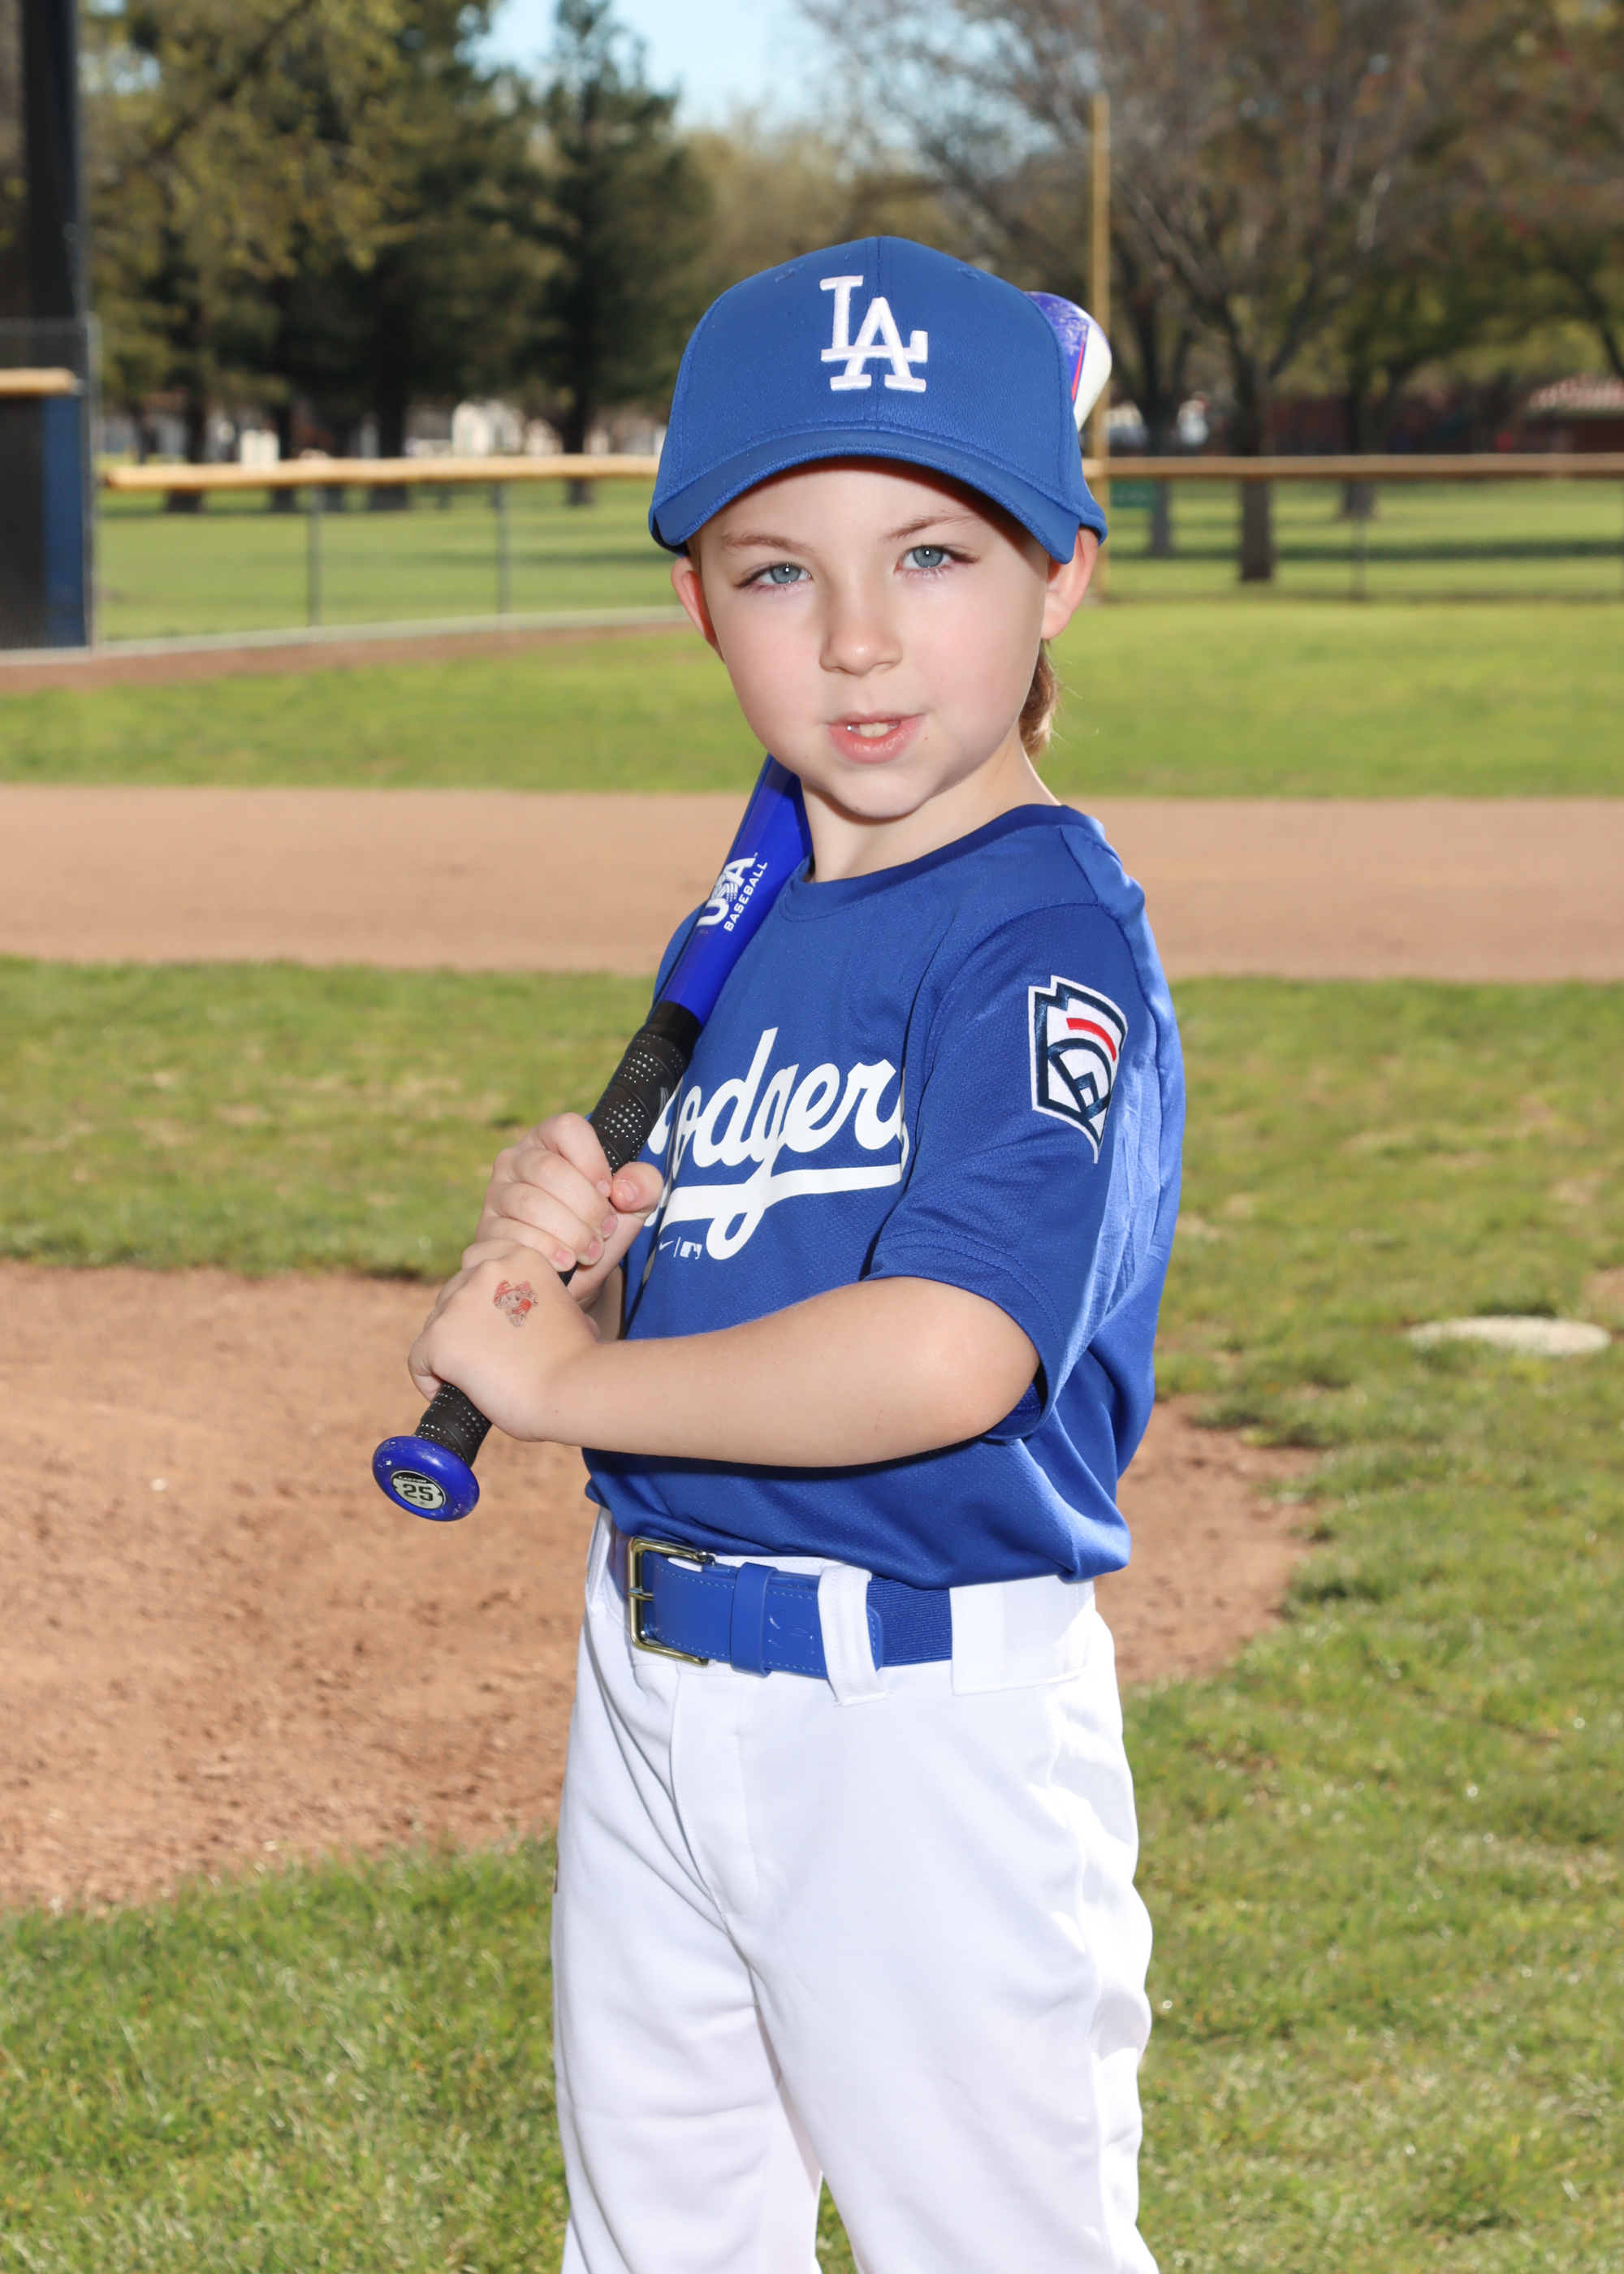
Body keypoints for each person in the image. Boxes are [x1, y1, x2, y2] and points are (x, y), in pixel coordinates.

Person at [408, 236, 1184, 2274]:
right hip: (654, 1677)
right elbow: (762, 1268)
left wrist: (567, 1383)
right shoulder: (762, 922)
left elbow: (944, 1349)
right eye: (778, 571)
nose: (854, 639)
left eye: (932, 555)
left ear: (1062, 574)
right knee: (656, 2244)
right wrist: (590, 1265)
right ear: (698, 603)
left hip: (916, 1723)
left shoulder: (1039, 938)